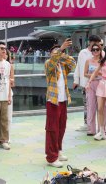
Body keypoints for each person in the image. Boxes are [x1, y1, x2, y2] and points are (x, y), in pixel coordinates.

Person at [45, 39, 76, 168]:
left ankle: (58, 151)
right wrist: (60, 50)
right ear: (51, 54)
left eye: (59, 51)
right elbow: (52, 62)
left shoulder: (62, 66)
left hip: (63, 100)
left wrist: (62, 52)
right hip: (53, 101)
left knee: (61, 127)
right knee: (52, 129)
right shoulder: (49, 63)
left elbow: (73, 63)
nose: (57, 53)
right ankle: (51, 157)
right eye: (55, 51)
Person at [87, 43, 106, 141]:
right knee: (100, 109)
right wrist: (89, 82)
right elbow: (95, 72)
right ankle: (101, 131)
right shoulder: (103, 61)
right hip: (102, 84)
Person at [73, 35, 102, 132]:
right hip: (86, 83)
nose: (95, 44)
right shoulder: (83, 53)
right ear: (89, 42)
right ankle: (87, 124)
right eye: (93, 42)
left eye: (97, 42)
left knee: (101, 105)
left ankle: (102, 126)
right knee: (87, 104)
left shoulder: (102, 53)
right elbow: (78, 66)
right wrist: (76, 80)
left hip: (100, 83)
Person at [84, 43, 102, 136]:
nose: (95, 51)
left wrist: (99, 75)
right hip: (91, 84)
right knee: (91, 106)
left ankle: (101, 128)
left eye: (97, 49)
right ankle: (91, 129)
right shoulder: (88, 61)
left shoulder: (103, 61)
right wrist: (94, 75)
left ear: (100, 50)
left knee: (101, 107)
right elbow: (85, 73)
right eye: (93, 49)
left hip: (101, 84)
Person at [3, 49, 15, 142]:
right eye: (3, 53)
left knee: (8, 116)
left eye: (6, 54)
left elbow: (12, 83)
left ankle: (7, 136)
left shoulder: (10, 66)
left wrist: (9, 80)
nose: (4, 56)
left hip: (8, 93)